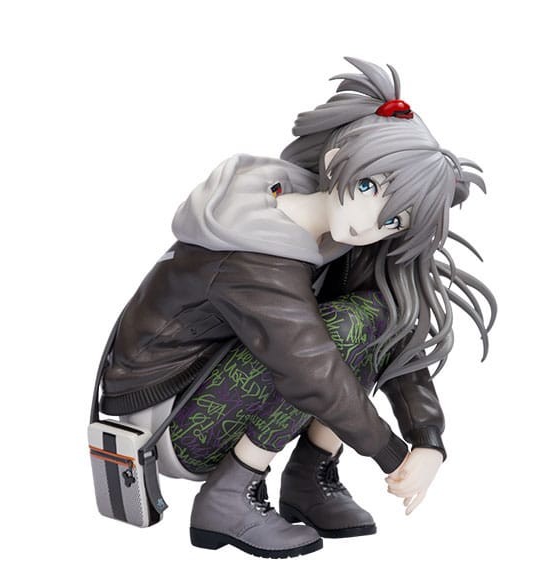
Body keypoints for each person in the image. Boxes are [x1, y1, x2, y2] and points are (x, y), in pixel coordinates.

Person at [98, 56, 495, 558]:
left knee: (376, 314)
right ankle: (229, 494)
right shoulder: (255, 246)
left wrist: (428, 439)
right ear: (338, 160)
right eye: (369, 187)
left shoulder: (342, 234)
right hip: (170, 421)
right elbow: (309, 370)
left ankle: (310, 476)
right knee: (334, 340)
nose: (372, 221)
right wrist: (394, 454)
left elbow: (394, 330)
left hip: (217, 383)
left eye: (394, 220)